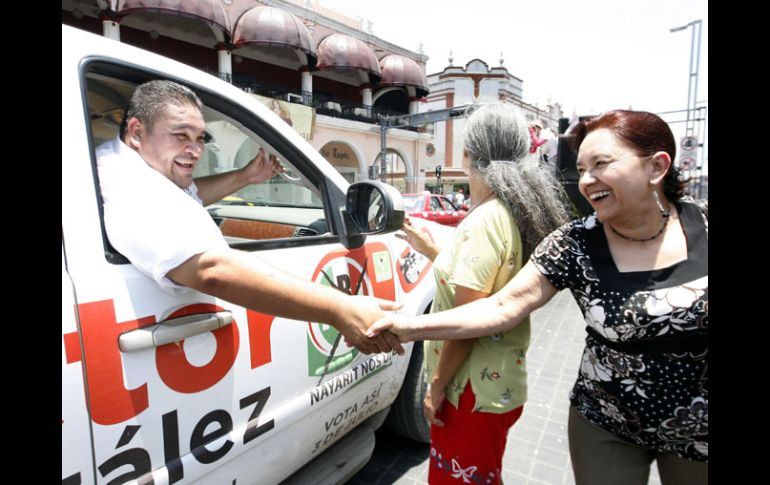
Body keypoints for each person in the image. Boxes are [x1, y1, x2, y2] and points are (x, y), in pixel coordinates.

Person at [368, 110, 708, 485]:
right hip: (604, 422)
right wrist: (408, 325)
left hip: (695, 429)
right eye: (581, 169)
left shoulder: (703, 225)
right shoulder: (573, 241)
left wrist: (436, 382)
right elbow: (501, 304)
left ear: (657, 167)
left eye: (601, 164)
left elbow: (478, 298)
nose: (587, 180)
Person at [97, 80, 402, 355]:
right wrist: (341, 308)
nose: (194, 150)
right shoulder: (130, 187)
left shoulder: (127, 165)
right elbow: (211, 269)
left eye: (200, 138)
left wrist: (245, 176)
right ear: (137, 131)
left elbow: (187, 193)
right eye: (180, 136)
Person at [395, 104, 570, 485]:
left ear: (467, 155)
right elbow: (490, 289)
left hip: (467, 391)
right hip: (499, 385)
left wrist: (436, 386)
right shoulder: (511, 210)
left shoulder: (483, 220)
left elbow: (468, 322)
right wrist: (431, 251)